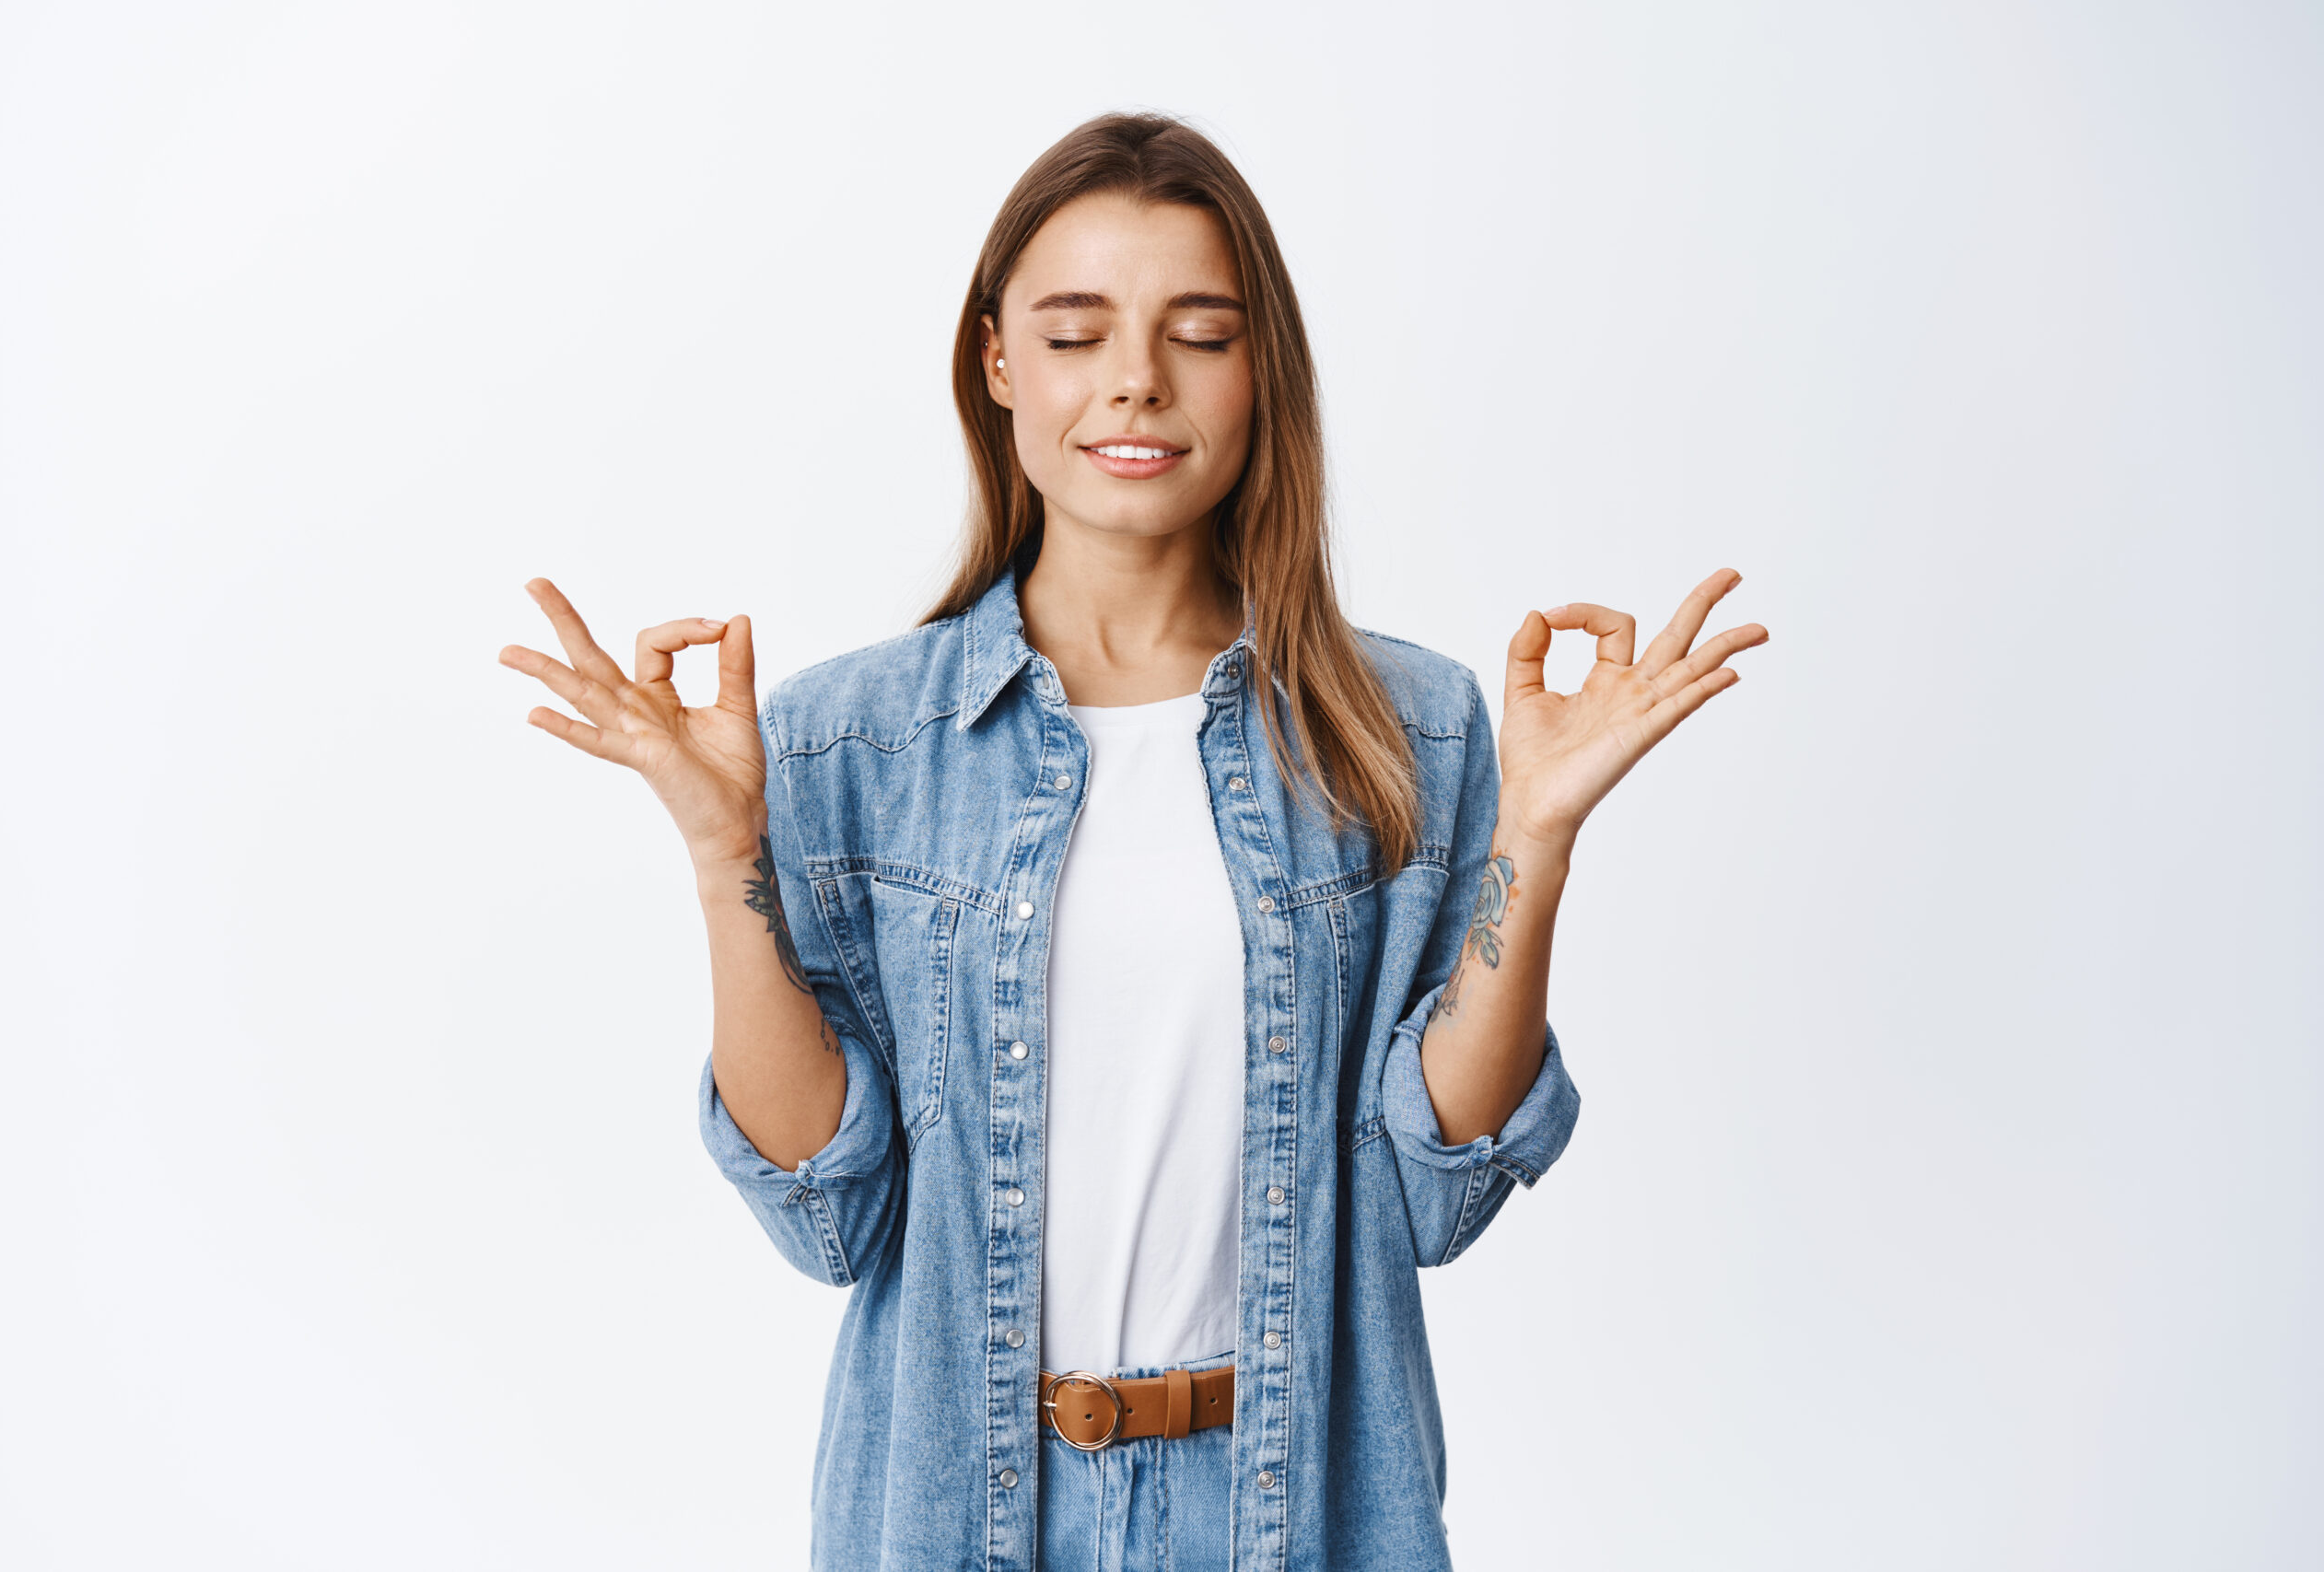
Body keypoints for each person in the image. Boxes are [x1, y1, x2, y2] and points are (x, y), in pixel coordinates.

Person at [497, 111, 1766, 1572]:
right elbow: (824, 1214)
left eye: (1199, 332)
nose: (1136, 384)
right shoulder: (851, 742)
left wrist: (1536, 834)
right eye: (1076, 332)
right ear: (998, 364)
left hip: (1302, 1510)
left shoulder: (1404, 726)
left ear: (1259, 368)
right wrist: (725, 845)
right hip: (954, 1511)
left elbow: (1435, 1194)